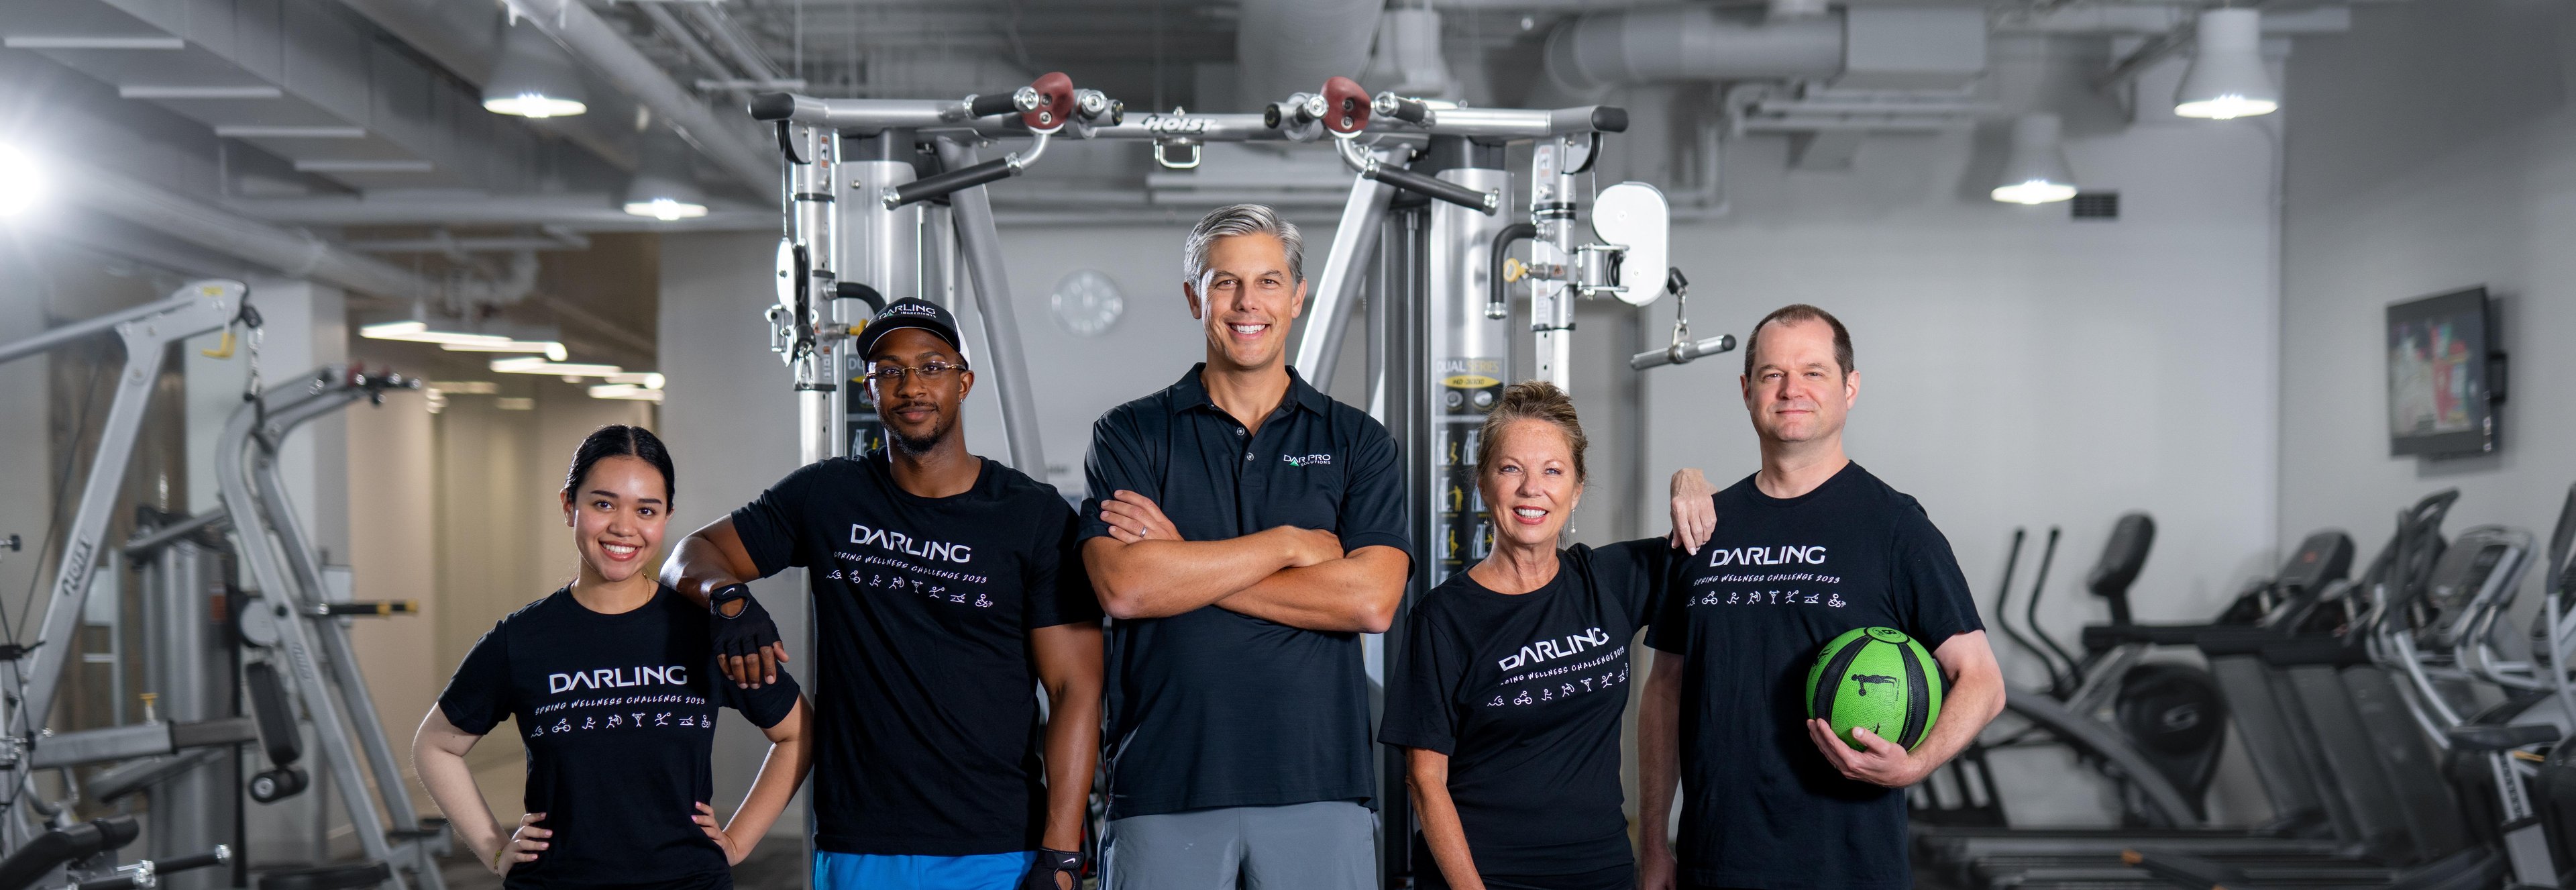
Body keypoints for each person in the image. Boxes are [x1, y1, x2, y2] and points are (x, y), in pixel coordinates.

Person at [661, 298, 1105, 890]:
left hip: (998, 843)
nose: (911, 386)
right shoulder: (827, 496)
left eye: (931, 367)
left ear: (964, 381)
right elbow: (688, 555)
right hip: (859, 840)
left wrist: (1061, 851)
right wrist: (729, 601)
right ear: (870, 389)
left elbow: (1075, 688)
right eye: (890, 371)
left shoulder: (1030, 515)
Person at [1079, 203, 1409, 890]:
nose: (1246, 303)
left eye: (1266, 282)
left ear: (1297, 296)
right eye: (1224, 282)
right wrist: (1290, 544)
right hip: (1166, 779)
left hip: (1317, 780)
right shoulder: (1131, 434)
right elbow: (1127, 588)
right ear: (1194, 296)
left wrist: (1183, 561)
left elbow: (1372, 601)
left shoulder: (1357, 442)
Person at [1640, 304, 2006, 890]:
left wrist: (1917, 763)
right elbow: (1665, 691)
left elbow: (1983, 680)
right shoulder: (1705, 526)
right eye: (1771, 374)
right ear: (1746, 389)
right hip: (1717, 860)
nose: (1791, 390)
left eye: (1814, 372)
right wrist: (1654, 842)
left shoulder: (1895, 527)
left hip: (1848, 866)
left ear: (1850, 387)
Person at [415, 425, 813, 889]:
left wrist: (740, 841)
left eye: (646, 510)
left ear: (666, 517)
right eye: (603, 504)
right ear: (569, 506)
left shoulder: (703, 631)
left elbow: (797, 733)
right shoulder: (523, 639)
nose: (624, 527)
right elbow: (436, 745)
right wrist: (494, 847)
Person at [1381, 381, 1673, 890]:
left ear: (1577, 488)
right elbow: (1425, 782)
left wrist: (1689, 482)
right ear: (1483, 482)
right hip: (1484, 875)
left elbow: (1715, 539)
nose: (1531, 488)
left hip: (1599, 872)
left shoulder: (1610, 579)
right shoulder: (1442, 618)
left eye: (1553, 471)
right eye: (1511, 468)